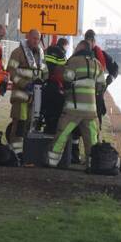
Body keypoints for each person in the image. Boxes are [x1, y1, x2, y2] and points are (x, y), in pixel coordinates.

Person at [47, 40, 106, 169]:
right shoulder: (97, 64)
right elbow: (102, 85)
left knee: (62, 135)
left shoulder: (74, 61)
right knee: (92, 140)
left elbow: (67, 77)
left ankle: (52, 162)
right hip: (91, 110)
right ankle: (92, 165)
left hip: (73, 108)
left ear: (80, 48)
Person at [5, 29, 46, 156]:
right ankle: (16, 152)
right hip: (20, 95)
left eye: (38, 39)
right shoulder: (17, 53)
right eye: (34, 38)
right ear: (28, 37)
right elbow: (11, 72)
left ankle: (23, 150)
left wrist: (43, 81)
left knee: (29, 124)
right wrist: (25, 84)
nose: (36, 41)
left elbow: (44, 70)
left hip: (34, 97)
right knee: (19, 123)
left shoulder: (40, 53)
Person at [83, 29, 119, 139]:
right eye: (87, 40)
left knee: (97, 118)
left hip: (97, 93)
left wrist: (110, 78)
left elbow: (115, 68)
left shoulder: (102, 54)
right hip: (82, 94)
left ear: (94, 41)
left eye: (91, 40)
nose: (89, 42)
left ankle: (96, 140)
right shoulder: (80, 54)